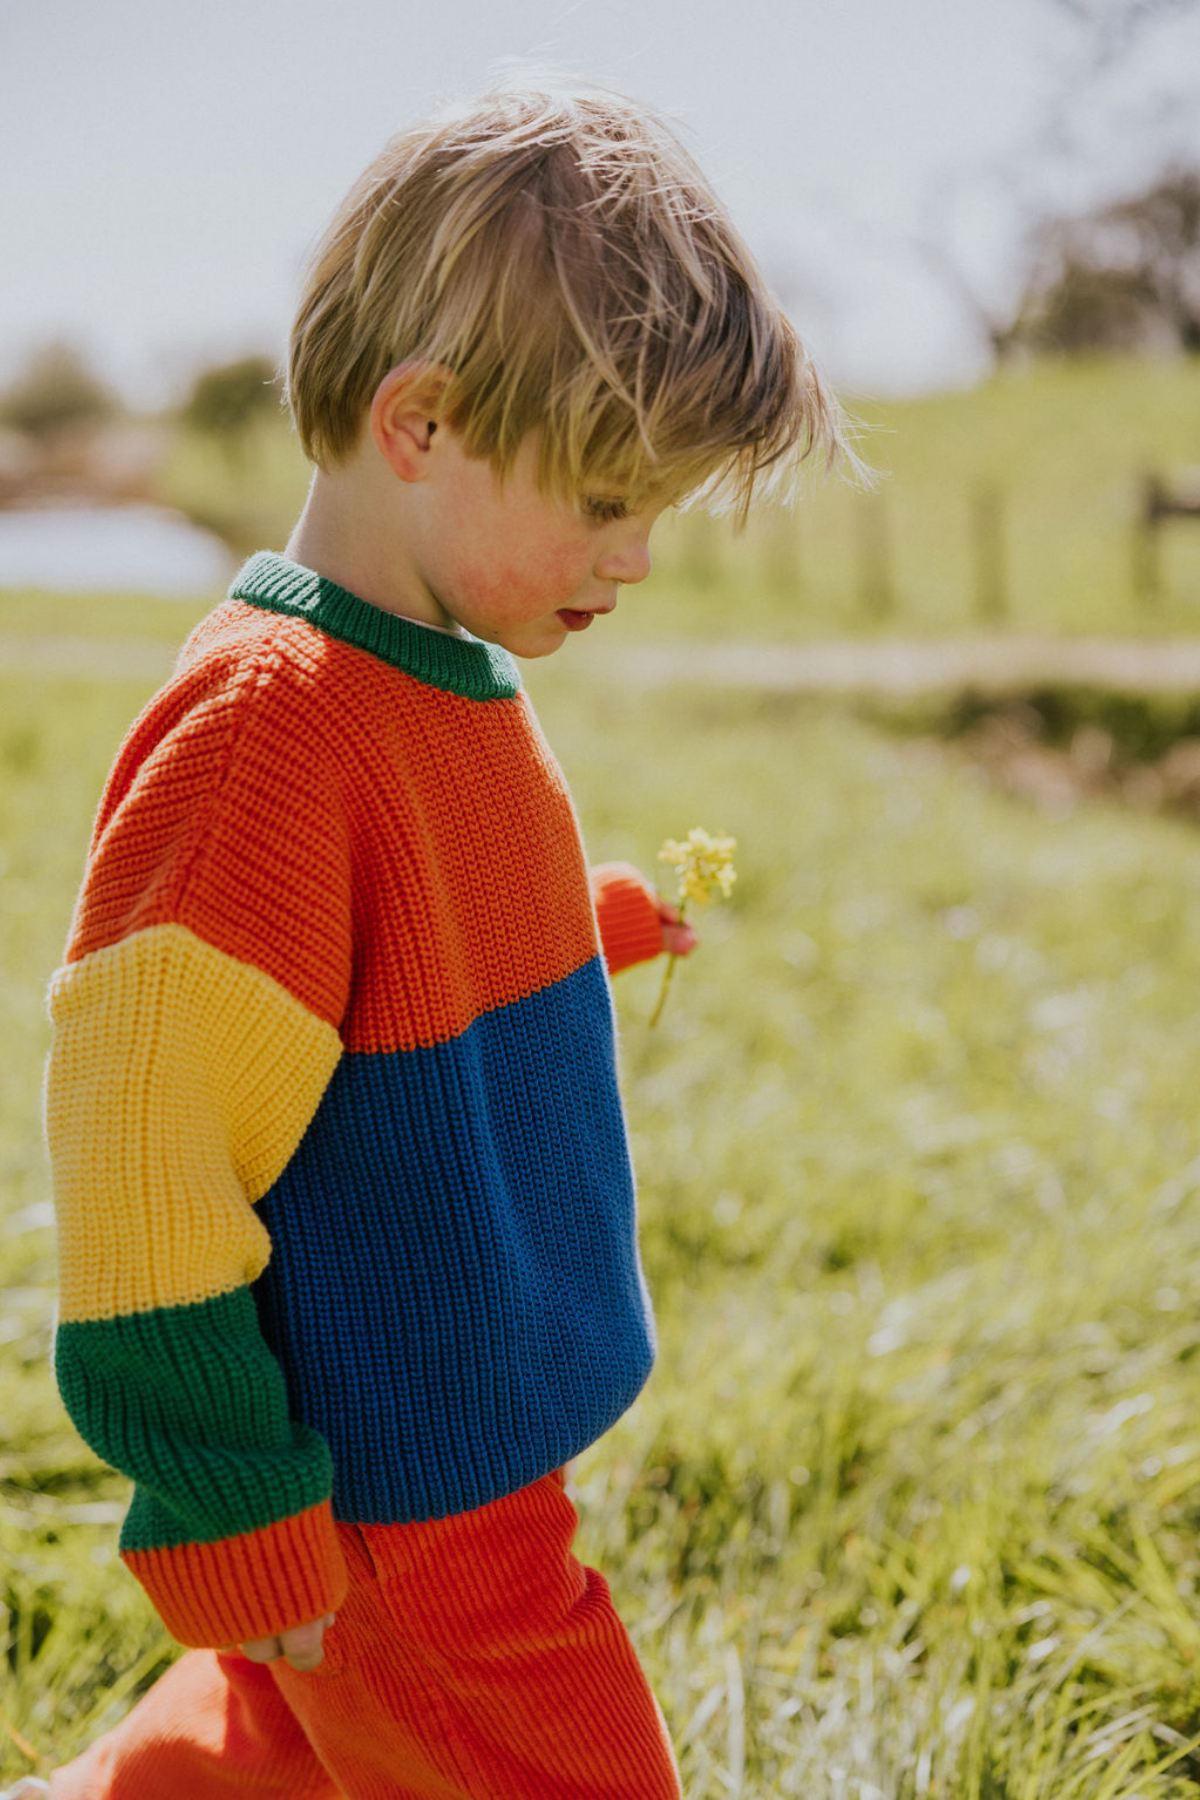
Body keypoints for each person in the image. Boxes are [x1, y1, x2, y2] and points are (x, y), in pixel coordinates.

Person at [25, 79, 846, 1800]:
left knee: (276, 1762)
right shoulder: (269, 731)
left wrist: (580, 924)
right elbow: (146, 1169)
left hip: (442, 1449)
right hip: (398, 1489)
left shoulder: (438, 667)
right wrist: (235, 1508)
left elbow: (402, 938)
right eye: (610, 498)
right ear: (421, 422)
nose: (634, 559)